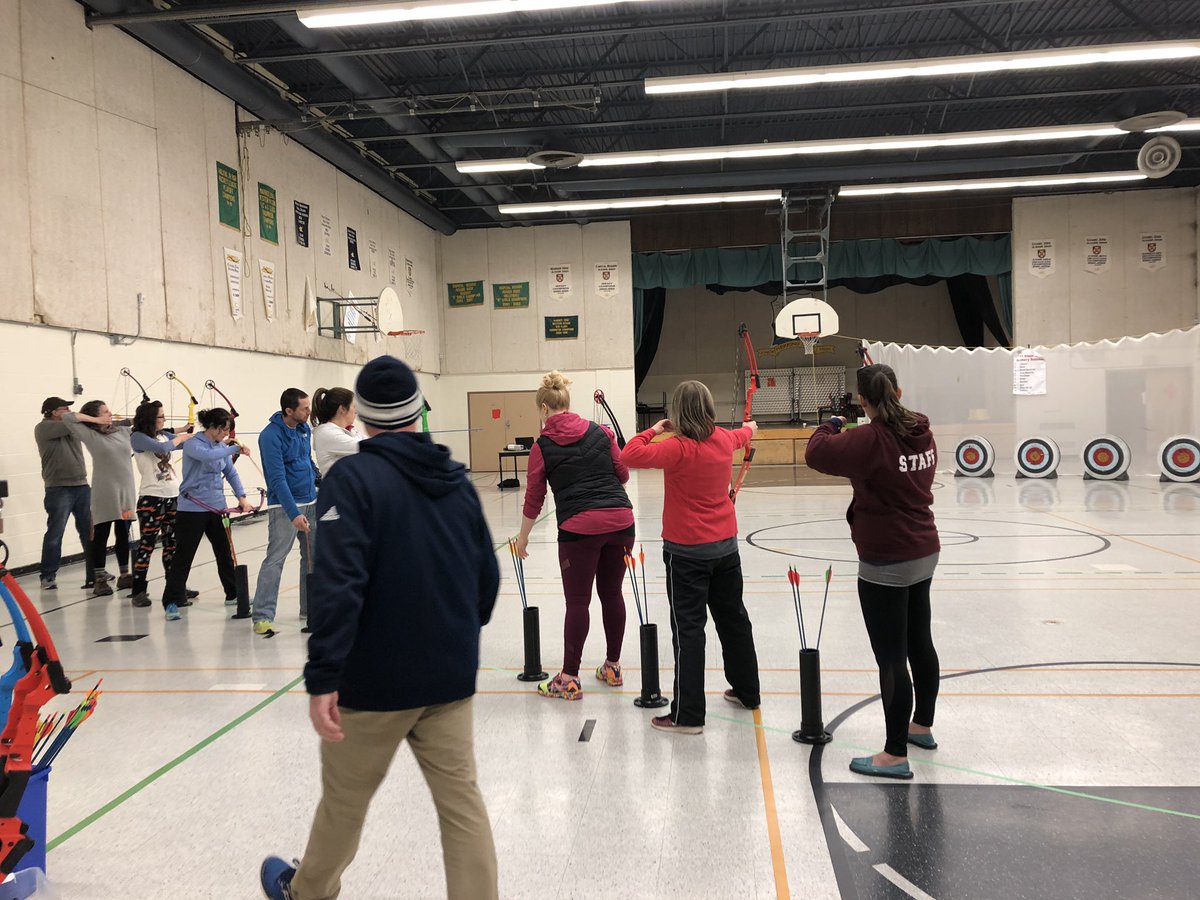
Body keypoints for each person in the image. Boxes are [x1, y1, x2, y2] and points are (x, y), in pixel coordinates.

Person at [260, 356, 499, 900]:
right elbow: (486, 579)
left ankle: (308, 891)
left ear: (361, 418)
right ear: (417, 409)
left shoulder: (352, 479)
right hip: (449, 679)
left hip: (373, 683)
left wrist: (324, 675)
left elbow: (337, 584)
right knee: (462, 806)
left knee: (345, 804)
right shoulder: (456, 479)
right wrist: (452, 636)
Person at [805, 363, 941, 780]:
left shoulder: (870, 439)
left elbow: (816, 451)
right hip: (923, 549)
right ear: (898, 391)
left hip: (887, 557)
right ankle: (921, 726)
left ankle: (895, 753)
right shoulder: (921, 429)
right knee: (920, 640)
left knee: (890, 657)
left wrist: (832, 421)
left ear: (863, 403)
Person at [620, 380, 761, 735]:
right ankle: (748, 691)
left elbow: (628, 454)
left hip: (687, 555)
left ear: (677, 413)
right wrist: (750, 427)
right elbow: (745, 433)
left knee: (688, 632)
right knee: (734, 619)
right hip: (725, 548)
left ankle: (688, 716)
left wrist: (654, 429)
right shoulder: (724, 439)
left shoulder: (677, 448)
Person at [513, 371, 633, 701]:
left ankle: (569, 677)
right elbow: (622, 474)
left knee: (578, 601)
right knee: (612, 593)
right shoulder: (601, 432)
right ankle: (612, 666)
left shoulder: (542, 446)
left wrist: (523, 539)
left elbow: (534, 498)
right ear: (567, 404)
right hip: (622, 521)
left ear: (543, 409)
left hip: (579, 529)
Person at [164, 408, 252, 621]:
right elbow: (208, 456)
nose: (226, 434)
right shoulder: (194, 443)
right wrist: (232, 449)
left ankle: (232, 593)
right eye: (224, 429)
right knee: (184, 556)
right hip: (191, 509)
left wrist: (242, 497)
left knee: (224, 552)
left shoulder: (221, 446)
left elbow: (230, 472)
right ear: (213, 427)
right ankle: (172, 601)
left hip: (217, 508)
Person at [253, 388, 320, 634]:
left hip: (311, 502)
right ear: (289, 411)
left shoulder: (303, 429)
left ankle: (310, 609)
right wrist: (293, 514)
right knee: (275, 560)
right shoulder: (270, 436)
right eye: (304, 408)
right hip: (284, 507)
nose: (309, 411)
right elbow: (277, 480)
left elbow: (307, 461)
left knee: (312, 560)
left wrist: (318, 481)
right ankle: (262, 616)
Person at [62, 401, 137, 597]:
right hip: (105, 492)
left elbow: (142, 425)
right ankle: (100, 580)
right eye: (105, 412)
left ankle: (124, 575)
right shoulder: (90, 435)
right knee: (101, 536)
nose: (109, 414)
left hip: (126, 492)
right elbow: (67, 417)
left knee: (123, 533)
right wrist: (96, 420)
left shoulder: (121, 431)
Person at [128, 400, 196, 607]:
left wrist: (210, 438)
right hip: (151, 498)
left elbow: (185, 443)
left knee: (172, 545)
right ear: (150, 418)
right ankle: (139, 590)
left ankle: (175, 587)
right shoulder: (138, 438)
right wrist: (182, 437)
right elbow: (163, 447)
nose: (164, 420)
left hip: (173, 496)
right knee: (147, 545)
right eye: (161, 416)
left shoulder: (164, 435)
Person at [34, 397, 91, 591]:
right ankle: (48, 575)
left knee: (88, 531)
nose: (68, 411)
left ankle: (94, 573)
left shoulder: (71, 426)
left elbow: (89, 427)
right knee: (55, 533)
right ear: (53, 412)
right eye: (64, 408)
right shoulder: (44, 428)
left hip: (81, 485)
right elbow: (74, 420)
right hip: (58, 488)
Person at [311, 386, 363, 477]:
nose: (356, 411)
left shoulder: (351, 431)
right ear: (342, 409)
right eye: (354, 406)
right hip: (338, 489)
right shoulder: (326, 433)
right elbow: (368, 447)